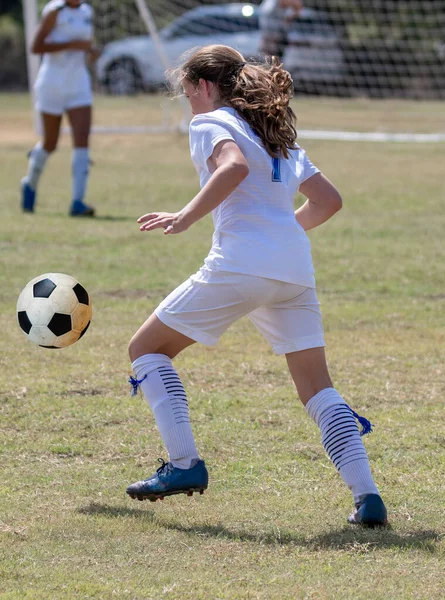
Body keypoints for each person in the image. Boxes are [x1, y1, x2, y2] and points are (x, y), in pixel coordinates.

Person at [126, 45, 388, 527]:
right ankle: (368, 497)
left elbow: (233, 168)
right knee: (316, 389)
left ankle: (184, 465)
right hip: (294, 269)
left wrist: (185, 216)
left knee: (146, 348)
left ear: (205, 87)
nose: (189, 104)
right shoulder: (274, 133)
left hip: (240, 264)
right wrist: (280, 233)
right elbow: (329, 201)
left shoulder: (210, 123)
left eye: (188, 93)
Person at [21, 0, 98, 217]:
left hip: (78, 84)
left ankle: (77, 201)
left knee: (82, 139)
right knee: (50, 142)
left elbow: (85, 45)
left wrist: (91, 52)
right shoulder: (54, 10)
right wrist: (70, 45)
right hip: (52, 84)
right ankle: (29, 183)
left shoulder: (86, 11)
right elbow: (36, 47)